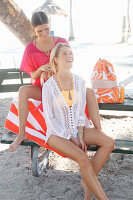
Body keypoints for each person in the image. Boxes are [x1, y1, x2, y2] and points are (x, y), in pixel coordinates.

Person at [8, 11, 101, 152]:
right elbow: (33, 76)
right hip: (43, 88)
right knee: (22, 91)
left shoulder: (61, 41)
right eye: (40, 31)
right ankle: (21, 133)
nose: (44, 33)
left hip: (61, 87)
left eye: (46, 28)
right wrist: (40, 69)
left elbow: (69, 61)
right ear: (33, 29)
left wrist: (56, 68)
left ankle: (99, 130)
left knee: (88, 91)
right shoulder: (30, 49)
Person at [41, 43, 115, 200]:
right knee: (83, 159)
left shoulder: (80, 81)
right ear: (55, 60)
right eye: (65, 54)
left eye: (70, 53)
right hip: (57, 134)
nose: (69, 56)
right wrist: (70, 137)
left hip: (78, 129)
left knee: (109, 142)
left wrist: (80, 134)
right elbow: (50, 119)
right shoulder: (49, 86)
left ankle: (87, 183)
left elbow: (81, 112)